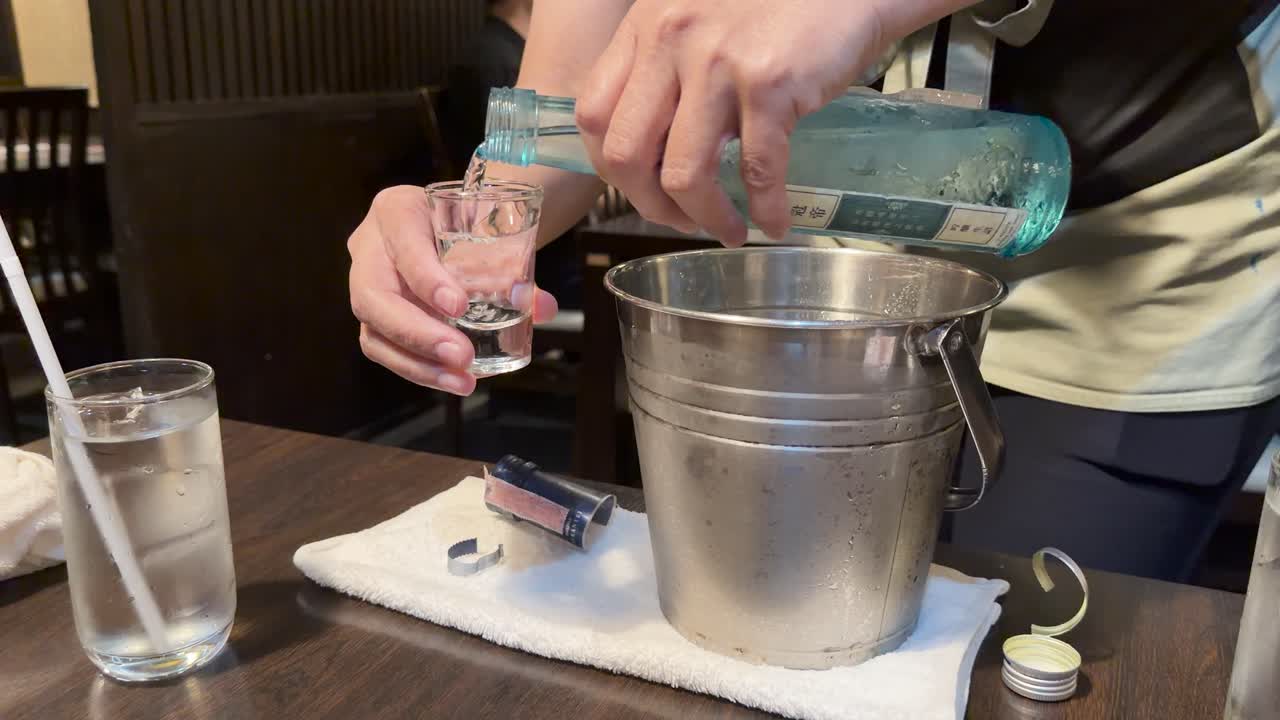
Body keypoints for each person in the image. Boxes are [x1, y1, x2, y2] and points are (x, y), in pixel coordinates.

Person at [348, 0, 1280, 581]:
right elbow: (569, 114)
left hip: (1132, 263)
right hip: (830, 270)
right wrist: (470, 226)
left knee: (1032, 659)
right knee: (779, 617)